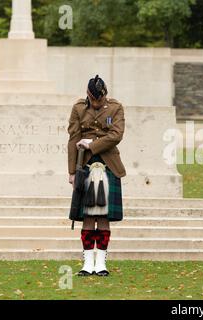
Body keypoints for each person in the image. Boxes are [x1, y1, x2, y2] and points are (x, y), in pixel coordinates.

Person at [67, 75, 126, 276]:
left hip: (109, 164)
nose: (97, 103)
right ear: (89, 95)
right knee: (87, 216)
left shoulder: (116, 107)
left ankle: (101, 263)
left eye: (100, 100)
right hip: (85, 165)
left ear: (104, 95)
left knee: (103, 216)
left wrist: (91, 144)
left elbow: (116, 135)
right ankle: (87, 263)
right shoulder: (78, 108)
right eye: (94, 100)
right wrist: (72, 172)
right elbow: (73, 138)